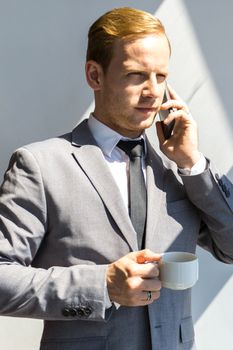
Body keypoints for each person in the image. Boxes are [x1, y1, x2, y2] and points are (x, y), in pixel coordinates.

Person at [0, 7, 232, 350]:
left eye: (161, 76)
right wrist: (102, 286)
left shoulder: (178, 170)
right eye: (137, 75)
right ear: (95, 75)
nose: (153, 91)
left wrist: (192, 163)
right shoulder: (40, 165)